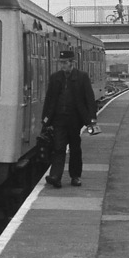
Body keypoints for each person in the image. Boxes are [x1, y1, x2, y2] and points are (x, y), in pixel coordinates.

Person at [41, 50, 97, 188]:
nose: (62, 66)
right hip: (59, 119)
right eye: (61, 63)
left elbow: (89, 99)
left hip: (75, 119)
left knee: (75, 148)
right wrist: (45, 120)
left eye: (65, 63)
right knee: (58, 147)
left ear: (72, 63)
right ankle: (55, 176)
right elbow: (49, 100)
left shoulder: (82, 77)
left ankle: (75, 176)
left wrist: (92, 119)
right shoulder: (55, 78)